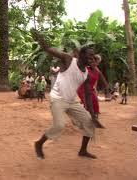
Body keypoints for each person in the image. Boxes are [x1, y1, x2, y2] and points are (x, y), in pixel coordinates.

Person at [31, 29, 104, 160]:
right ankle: (39, 144)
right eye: (89, 56)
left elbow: (88, 95)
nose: (92, 58)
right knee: (59, 125)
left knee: (89, 123)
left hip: (72, 101)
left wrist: (93, 115)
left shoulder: (86, 74)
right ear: (81, 55)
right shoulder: (69, 60)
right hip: (58, 99)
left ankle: (83, 151)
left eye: (93, 56)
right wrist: (40, 39)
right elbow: (49, 49)